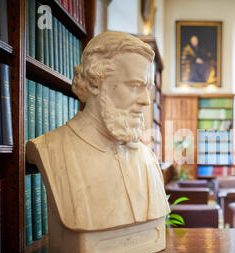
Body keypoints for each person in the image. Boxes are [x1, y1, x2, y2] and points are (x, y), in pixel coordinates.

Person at [26, 31, 170, 231]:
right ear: (95, 82)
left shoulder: (149, 159)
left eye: (148, 88)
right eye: (135, 85)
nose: (146, 101)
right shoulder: (50, 149)